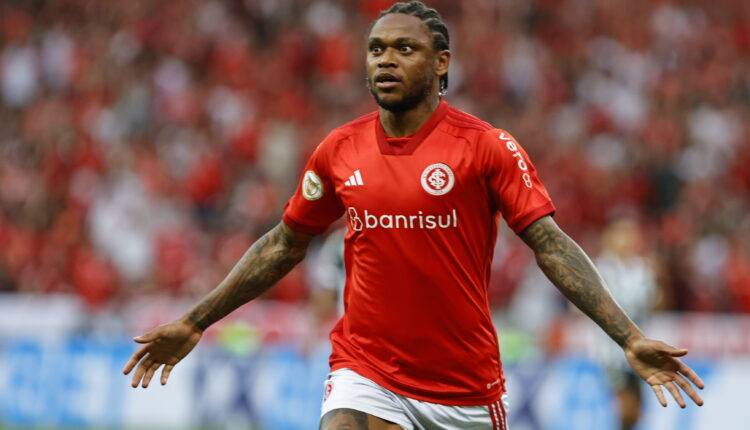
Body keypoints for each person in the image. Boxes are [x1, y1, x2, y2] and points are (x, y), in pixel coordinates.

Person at [123, 2, 705, 429]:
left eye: (405, 49)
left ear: (442, 63)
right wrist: (196, 321)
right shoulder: (339, 150)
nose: (386, 60)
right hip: (364, 368)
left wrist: (627, 336)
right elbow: (283, 244)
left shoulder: (485, 147)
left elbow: (549, 244)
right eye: (377, 49)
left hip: (464, 387)